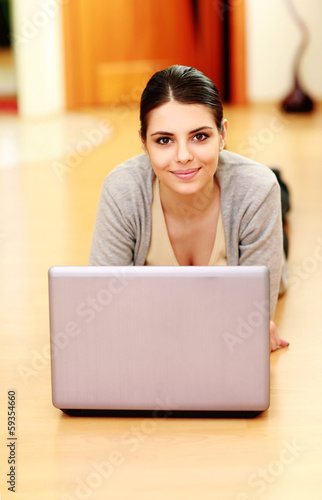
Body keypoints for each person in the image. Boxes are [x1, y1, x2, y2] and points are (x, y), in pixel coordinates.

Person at [89, 64, 289, 352]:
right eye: (164, 140)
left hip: (249, 190)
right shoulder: (122, 190)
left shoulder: (256, 190)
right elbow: (103, 312)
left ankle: (281, 190)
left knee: (274, 198)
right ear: (143, 143)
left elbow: (251, 321)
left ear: (223, 135)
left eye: (199, 136)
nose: (183, 156)